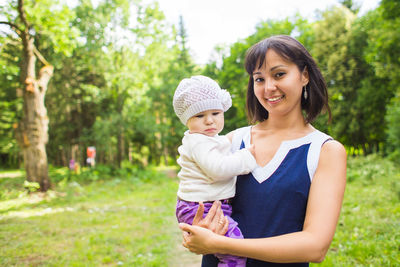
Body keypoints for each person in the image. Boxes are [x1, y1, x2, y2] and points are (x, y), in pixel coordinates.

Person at [179, 35, 347, 266]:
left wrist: (221, 244)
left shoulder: (325, 151)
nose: (269, 87)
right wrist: (197, 231)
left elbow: (315, 247)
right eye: (259, 79)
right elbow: (194, 200)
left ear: (304, 75)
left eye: (279, 74)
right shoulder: (231, 140)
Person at [173, 75, 259, 267]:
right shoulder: (198, 142)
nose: (209, 121)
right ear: (186, 120)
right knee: (233, 250)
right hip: (199, 207)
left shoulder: (211, 139)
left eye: (215, 113)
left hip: (206, 204)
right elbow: (218, 169)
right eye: (199, 115)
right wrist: (246, 157)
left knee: (227, 248)